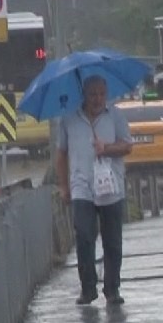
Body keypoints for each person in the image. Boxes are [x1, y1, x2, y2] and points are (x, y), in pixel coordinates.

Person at [55, 75, 134, 306]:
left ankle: (112, 289)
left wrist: (106, 148)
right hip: (82, 188)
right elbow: (61, 154)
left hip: (111, 187)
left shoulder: (116, 116)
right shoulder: (69, 119)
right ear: (84, 96)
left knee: (112, 241)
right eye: (93, 94)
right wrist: (63, 186)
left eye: (101, 93)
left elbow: (128, 146)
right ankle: (88, 288)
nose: (98, 99)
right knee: (84, 237)